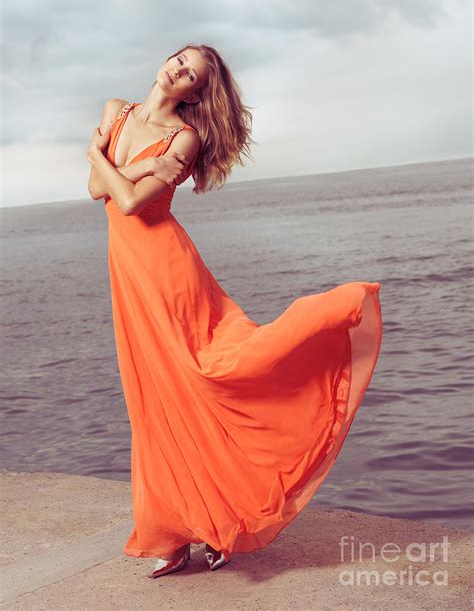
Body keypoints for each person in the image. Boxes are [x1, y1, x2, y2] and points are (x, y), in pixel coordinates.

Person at [87, 44, 383, 579]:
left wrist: (100, 157)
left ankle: (223, 520)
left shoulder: (185, 137)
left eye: (192, 75)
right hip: (129, 276)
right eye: (179, 59)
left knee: (206, 378)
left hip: (167, 273)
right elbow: (94, 190)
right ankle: (179, 532)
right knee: (154, 401)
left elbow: (127, 203)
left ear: (196, 93)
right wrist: (124, 165)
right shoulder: (117, 111)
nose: (178, 70)